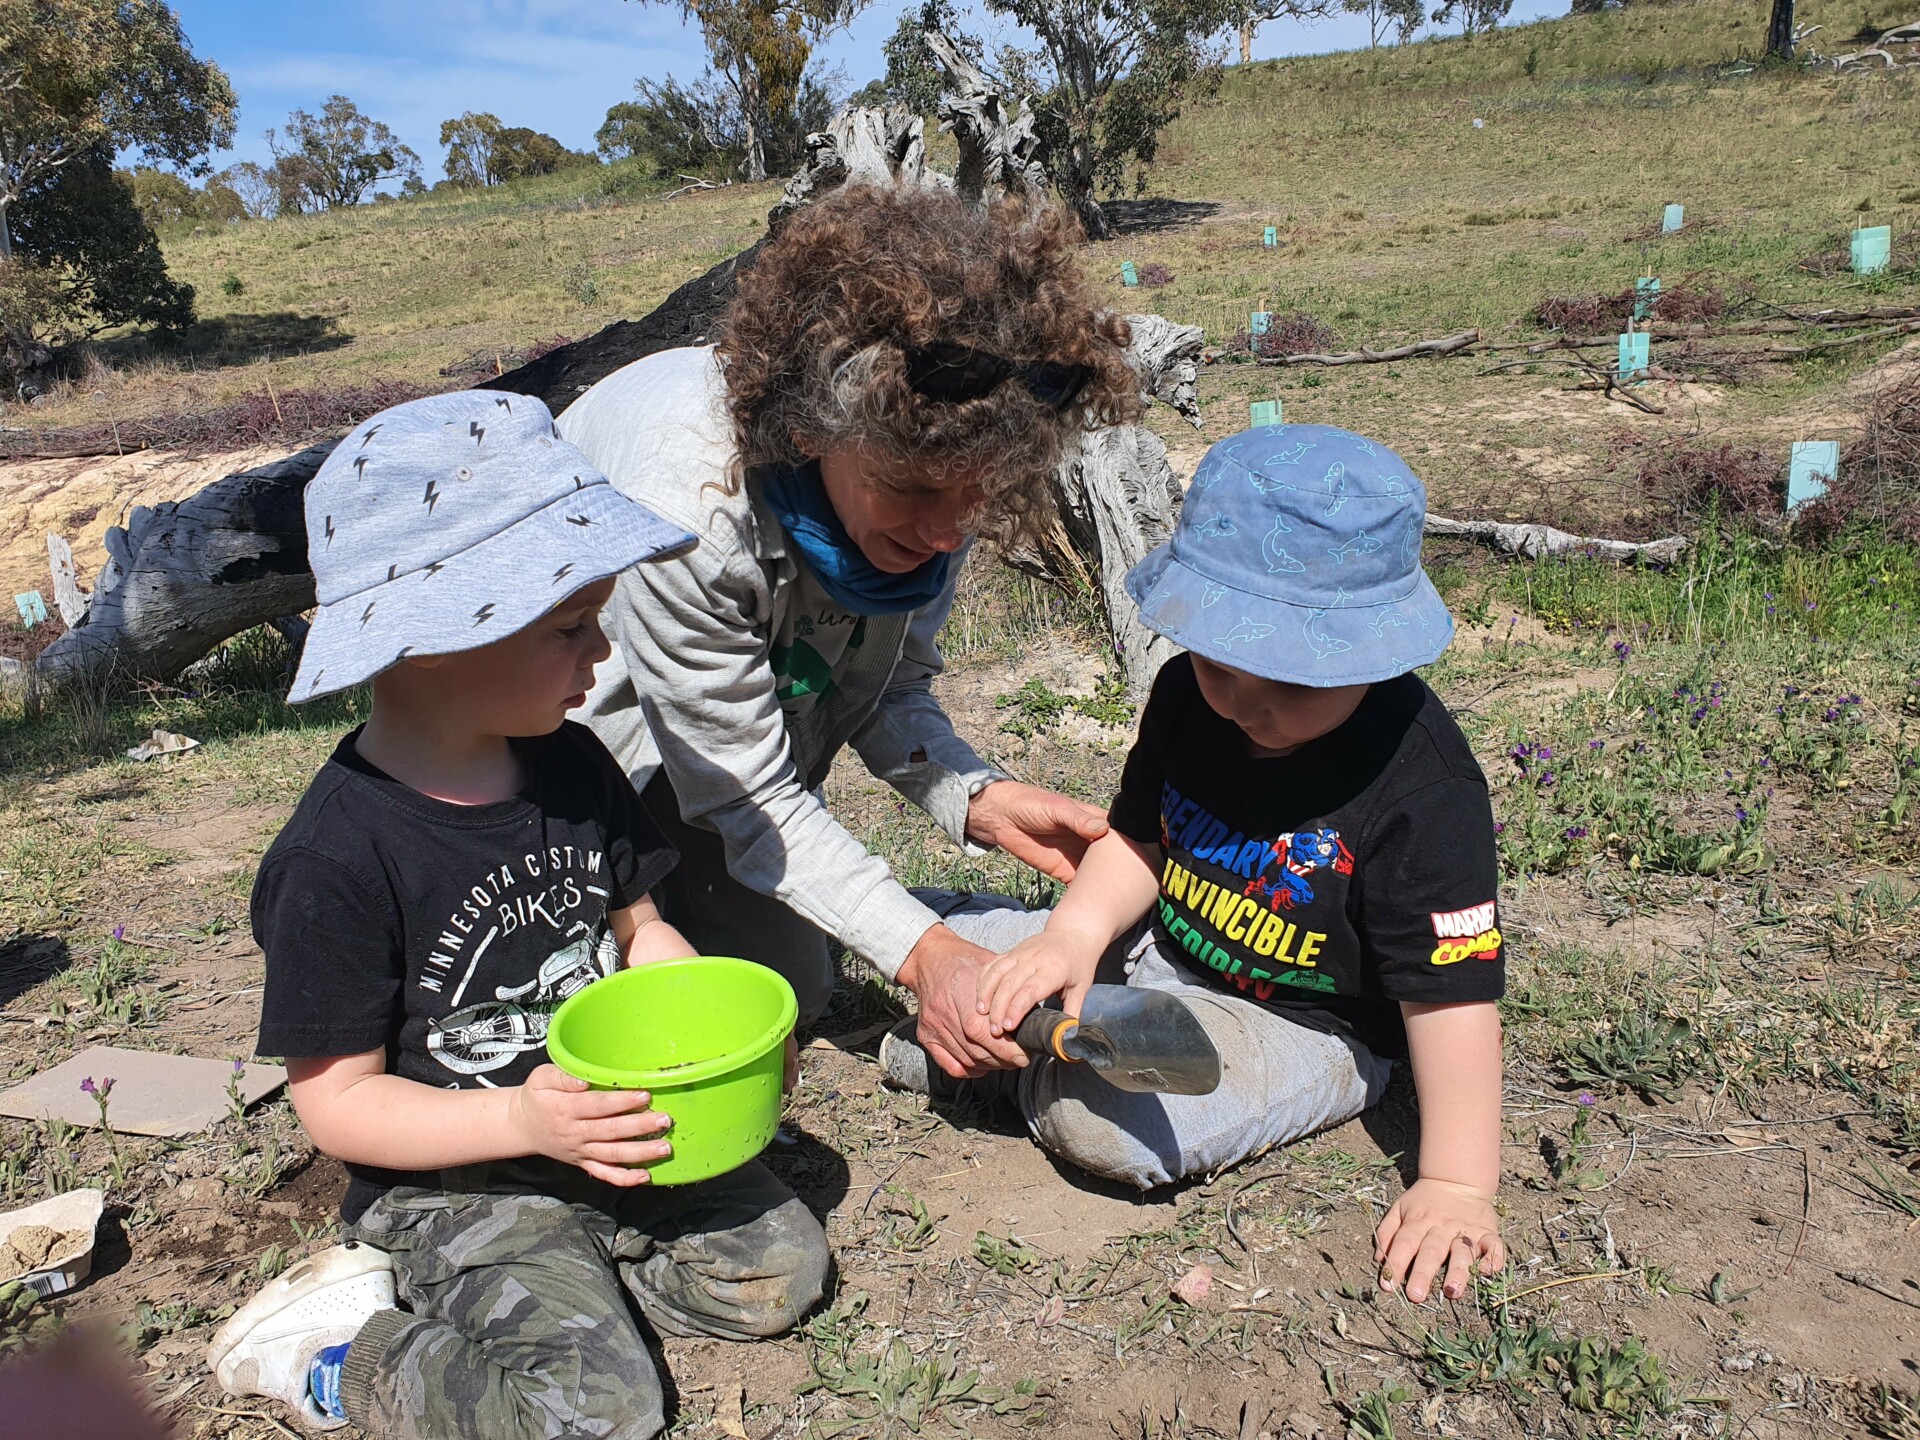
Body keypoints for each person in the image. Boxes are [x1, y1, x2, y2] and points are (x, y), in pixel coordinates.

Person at [208, 392, 829, 1438]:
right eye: (574, 627)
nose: (603, 655)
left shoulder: (572, 766)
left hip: (613, 1139)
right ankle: (337, 1350)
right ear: (448, 633)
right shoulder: (338, 859)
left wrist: (714, 1035)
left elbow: (638, 926)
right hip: (461, 1180)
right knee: (593, 1414)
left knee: (780, 1271)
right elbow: (338, 1105)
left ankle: (573, 1280)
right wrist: (518, 1122)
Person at [884, 425, 1509, 1305]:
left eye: (1292, 682)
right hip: (1154, 951)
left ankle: (1000, 1057)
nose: (1249, 707)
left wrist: (1455, 1184)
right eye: (1222, 668)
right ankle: (1020, 1032)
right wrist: (1072, 935)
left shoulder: (1424, 787)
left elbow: (1451, 999)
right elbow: (1142, 839)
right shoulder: (1186, 696)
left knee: (1113, 1131)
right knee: (914, 930)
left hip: (1303, 1024)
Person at [559, 184, 1140, 1079]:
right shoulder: (689, 514)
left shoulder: (943, 483)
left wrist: (970, 797)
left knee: (795, 982)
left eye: (975, 494)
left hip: (727, 722)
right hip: (582, 699)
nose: (947, 533)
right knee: (597, 988)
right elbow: (747, 792)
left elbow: (885, 688)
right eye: (911, 490)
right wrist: (928, 956)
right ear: (811, 428)